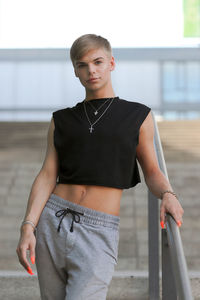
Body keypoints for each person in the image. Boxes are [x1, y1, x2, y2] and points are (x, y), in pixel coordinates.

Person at [16, 33, 184, 300]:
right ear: (75, 71)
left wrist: (168, 194)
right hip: (52, 222)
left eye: (98, 62)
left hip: (98, 230)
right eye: (83, 65)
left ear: (111, 63)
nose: (91, 70)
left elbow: (152, 170)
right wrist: (28, 226)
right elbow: (47, 175)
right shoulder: (61, 119)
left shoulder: (138, 115)